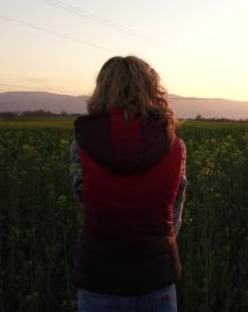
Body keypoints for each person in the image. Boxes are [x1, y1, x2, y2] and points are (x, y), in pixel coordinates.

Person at [70, 56, 187, 312]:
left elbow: (85, 200)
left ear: (102, 88)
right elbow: (175, 211)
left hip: (98, 276)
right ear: (151, 89)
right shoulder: (176, 146)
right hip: (156, 277)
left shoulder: (83, 143)